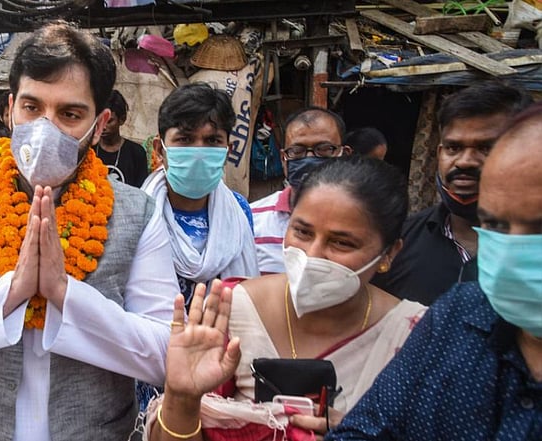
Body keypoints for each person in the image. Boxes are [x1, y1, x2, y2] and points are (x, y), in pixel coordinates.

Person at [0, 20, 179, 441]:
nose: (46, 127)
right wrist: (10, 293)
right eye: (32, 107)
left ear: (100, 124)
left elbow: (164, 356)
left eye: (70, 113)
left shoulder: (139, 214)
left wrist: (65, 294)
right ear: (10, 110)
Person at [148, 156, 427, 440]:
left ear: (389, 254)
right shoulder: (232, 310)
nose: (312, 255)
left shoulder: (416, 335)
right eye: (302, 232)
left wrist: (361, 433)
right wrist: (181, 397)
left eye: (341, 242)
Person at [327, 103, 542, 441]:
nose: (516, 248)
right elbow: (365, 430)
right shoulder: (457, 316)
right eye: (496, 225)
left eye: (539, 227)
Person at [371, 81, 532, 305]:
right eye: (453, 148)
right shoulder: (398, 244)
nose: (464, 161)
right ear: (439, 152)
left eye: (486, 148)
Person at [143, 82, 258, 303]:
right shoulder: (137, 211)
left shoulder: (240, 210)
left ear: (227, 152)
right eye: (185, 139)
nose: (198, 151)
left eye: (212, 140)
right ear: (159, 150)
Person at [250, 107, 352, 274]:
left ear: (345, 155)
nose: (310, 158)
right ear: (284, 159)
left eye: (324, 149)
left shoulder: (362, 222)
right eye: (297, 151)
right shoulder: (252, 220)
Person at [95, 90, 150, 187]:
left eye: (109, 121)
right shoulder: (89, 149)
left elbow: (141, 192)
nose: (103, 126)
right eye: (99, 120)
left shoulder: (136, 153)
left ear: (122, 119)